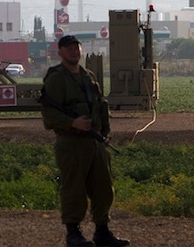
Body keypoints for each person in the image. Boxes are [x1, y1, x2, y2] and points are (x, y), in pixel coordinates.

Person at [40, 35, 130, 247]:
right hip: (71, 143)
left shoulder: (88, 77)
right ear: (60, 53)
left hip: (95, 143)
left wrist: (105, 132)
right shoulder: (56, 79)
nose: (74, 51)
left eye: (76, 47)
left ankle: (102, 231)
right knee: (74, 189)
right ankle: (73, 233)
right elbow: (49, 116)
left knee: (103, 188)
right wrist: (73, 123)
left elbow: (100, 107)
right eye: (69, 48)